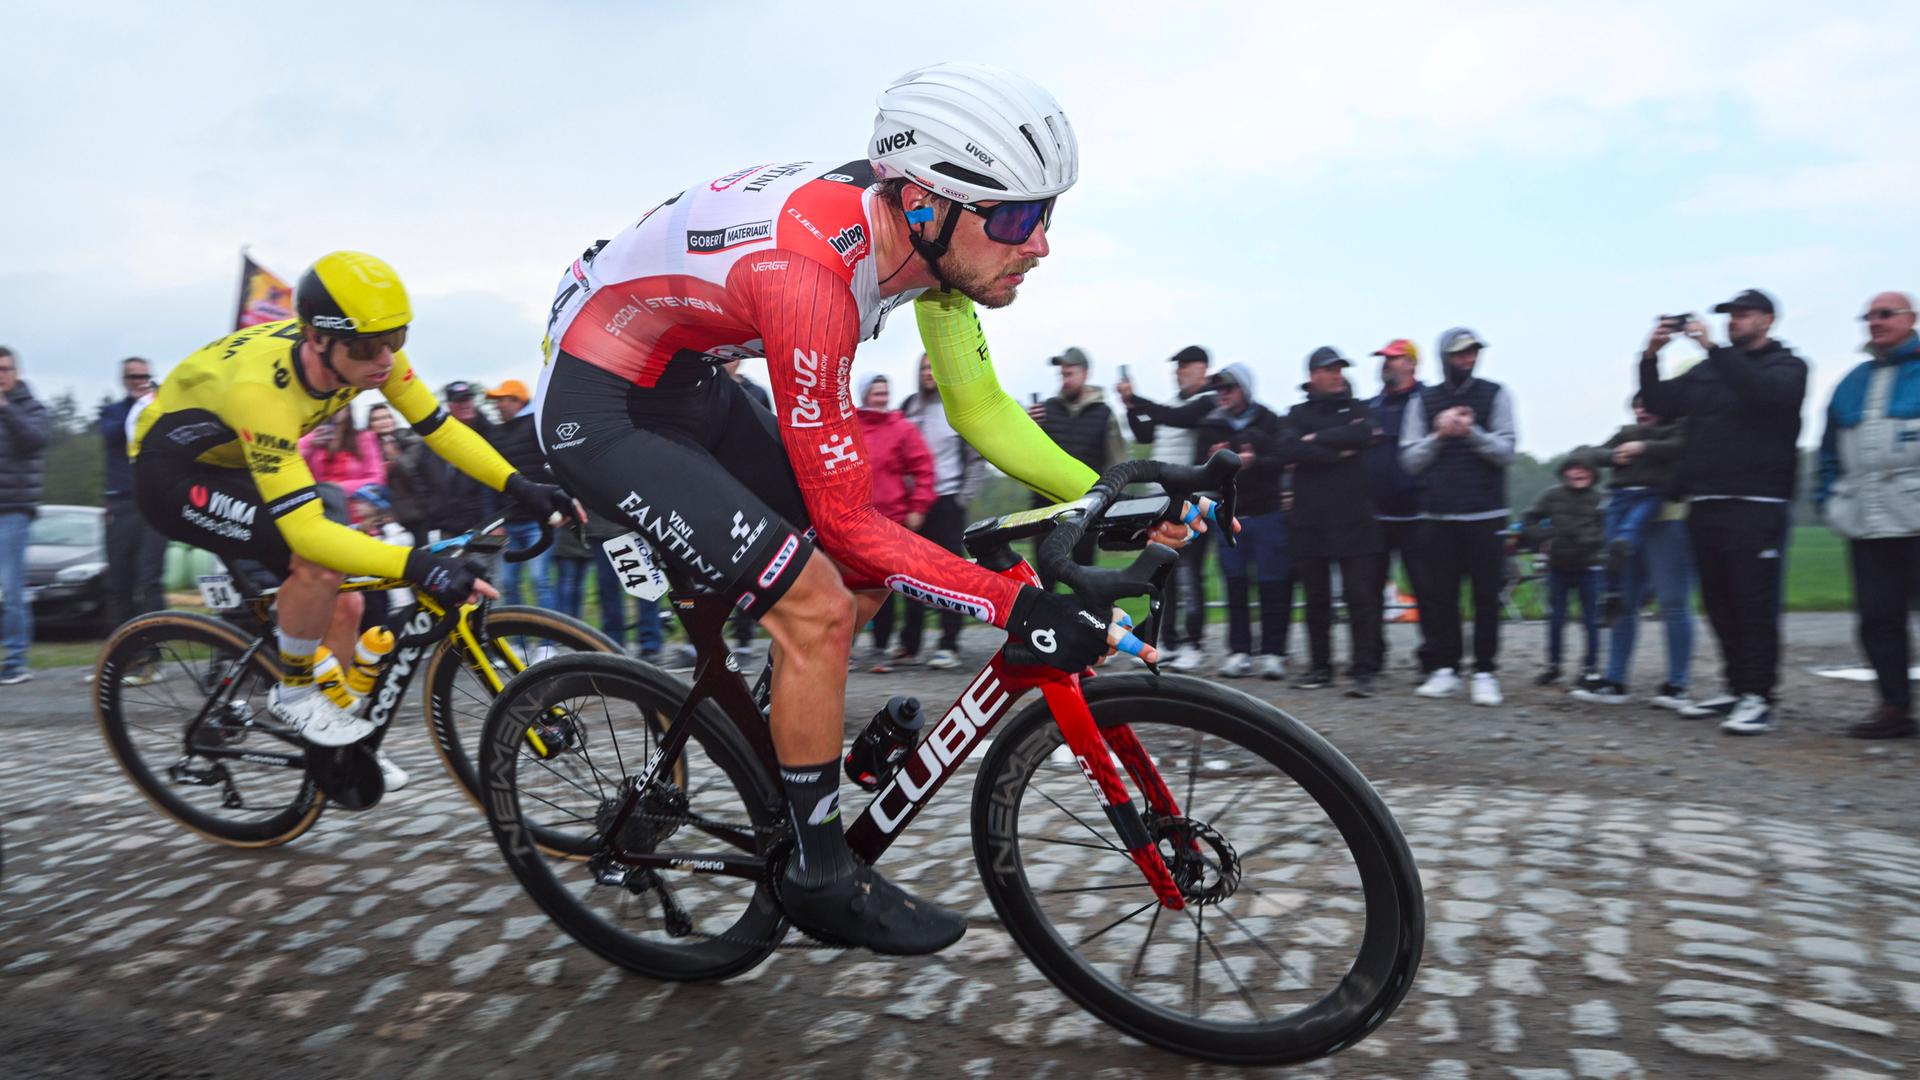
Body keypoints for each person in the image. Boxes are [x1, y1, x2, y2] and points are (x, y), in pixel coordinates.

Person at [531, 62, 1207, 956]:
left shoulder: (925, 251)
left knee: (861, 571)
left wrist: (1104, 495)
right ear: (925, 203)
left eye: (1047, 214)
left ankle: (781, 744)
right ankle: (817, 866)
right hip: (600, 404)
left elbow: (980, 408)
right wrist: (1017, 607)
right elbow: (848, 520)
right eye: (1016, 218)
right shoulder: (811, 278)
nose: (1039, 243)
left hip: (687, 378)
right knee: (819, 596)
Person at [129, 251, 575, 759]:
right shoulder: (263, 393)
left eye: (396, 340)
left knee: (348, 602)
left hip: (237, 460)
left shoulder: (369, 348)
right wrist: (419, 567)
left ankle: (331, 741)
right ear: (317, 339)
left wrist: (519, 485)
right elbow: (308, 536)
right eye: (367, 348)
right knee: (318, 560)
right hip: (173, 474)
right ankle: (293, 694)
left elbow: (440, 429)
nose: (384, 360)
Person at [1641, 289, 1808, 735]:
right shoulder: (1710, 369)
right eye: (1730, 315)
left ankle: (1759, 697)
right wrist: (1651, 354)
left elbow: (1763, 396)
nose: (1734, 320)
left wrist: (1713, 347)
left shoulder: (1787, 367)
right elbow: (1658, 403)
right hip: (1706, 501)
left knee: (1753, 603)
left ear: (1768, 320)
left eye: (1744, 314)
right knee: (1719, 603)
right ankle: (1736, 688)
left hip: (1757, 503)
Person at [1816, 291, 1920, 739]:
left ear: (1911, 318)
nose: (1874, 322)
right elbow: (1827, 455)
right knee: (1878, 619)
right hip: (1868, 525)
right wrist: (1829, 502)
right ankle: (1894, 707)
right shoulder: (1851, 382)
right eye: (1868, 316)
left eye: (1885, 314)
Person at [1400, 327, 1519, 707]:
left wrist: (1471, 432)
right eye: (1459, 354)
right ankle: (1445, 668)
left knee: (1487, 597)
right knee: (1440, 598)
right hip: (1438, 515)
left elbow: (1506, 450)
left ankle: (1484, 670)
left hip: (1486, 513)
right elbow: (1409, 458)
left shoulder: (1495, 394)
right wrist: (1439, 434)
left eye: (1472, 353)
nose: (1467, 360)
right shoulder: (1424, 401)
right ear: (1445, 358)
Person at [1574, 397, 1694, 707]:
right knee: (1622, 601)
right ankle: (1615, 680)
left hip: (1668, 519)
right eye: (1637, 406)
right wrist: (1613, 456)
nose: (1642, 411)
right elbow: (1594, 453)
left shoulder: (1679, 431)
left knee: (1673, 603)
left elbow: (1682, 451)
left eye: (1649, 404)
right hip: (1625, 515)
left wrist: (1643, 449)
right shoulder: (1626, 432)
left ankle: (1677, 684)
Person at [1278, 347, 1384, 695]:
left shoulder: (1359, 408)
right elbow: (1289, 449)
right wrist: (1338, 451)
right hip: (1310, 520)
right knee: (1316, 599)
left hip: (1354, 518)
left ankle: (1363, 670)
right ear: (1312, 375)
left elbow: (1365, 434)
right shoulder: (1296, 413)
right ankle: (1320, 667)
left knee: (1360, 598)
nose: (1337, 374)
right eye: (1329, 369)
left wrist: (1317, 441)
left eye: (1340, 369)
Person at [1118, 345, 1217, 671]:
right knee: (1164, 575)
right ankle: (1170, 642)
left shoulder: (1208, 401)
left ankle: (1195, 644)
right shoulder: (1171, 403)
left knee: (1191, 575)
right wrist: (1130, 406)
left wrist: (1140, 400)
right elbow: (1144, 431)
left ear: (1203, 368)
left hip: (1193, 503)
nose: (1179, 371)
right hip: (1162, 505)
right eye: (1177, 366)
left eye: (1186, 365)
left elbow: (1179, 419)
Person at [1196, 363, 1289, 678]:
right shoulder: (1210, 425)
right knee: (1235, 585)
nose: (1222, 394)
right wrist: (1215, 463)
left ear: (1245, 389)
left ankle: (1274, 653)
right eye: (1218, 389)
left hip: (1267, 513)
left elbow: (1282, 460)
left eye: (1229, 388)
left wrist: (1254, 462)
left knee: (1272, 585)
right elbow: (1200, 469)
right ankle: (1239, 651)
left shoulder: (1270, 419)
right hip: (1229, 516)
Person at [898, 353, 985, 670]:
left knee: (949, 575)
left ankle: (949, 643)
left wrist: (963, 497)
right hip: (915, 506)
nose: (927, 373)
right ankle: (909, 644)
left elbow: (976, 458)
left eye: (933, 367)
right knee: (912, 573)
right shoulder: (909, 407)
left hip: (949, 501)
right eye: (922, 367)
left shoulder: (957, 408)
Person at [853, 374, 935, 672]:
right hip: (859, 520)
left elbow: (924, 468)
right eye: (876, 392)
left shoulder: (901, 428)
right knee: (868, 587)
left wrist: (918, 507)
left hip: (895, 522)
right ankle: (876, 648)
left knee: (904, 584)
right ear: (864, 395)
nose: (882, 397)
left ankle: (909, 646)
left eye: (885, 392)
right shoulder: (851, 427)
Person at [1029, 347, 1128, 581]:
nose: (1065, 380)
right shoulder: (1045, 411)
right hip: (1046, 511)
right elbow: (1029, 458)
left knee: (1084, 578)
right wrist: (1030, 426)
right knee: (1045, 582)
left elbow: (1117, 463)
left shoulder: (1104, 414)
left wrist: (1113, 506)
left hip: (1086, 510)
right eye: (1062, 374)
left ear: (1085, 374)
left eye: (1070, 374)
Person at [1366, 339, 1430, 677]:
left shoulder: (1428, 401)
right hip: (1375, 514)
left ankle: (1431, 660)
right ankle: (1372, 659)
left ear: (1412, 364)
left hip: (1418, 513)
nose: (1385, 364)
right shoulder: (1370, 406)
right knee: (1370, 592)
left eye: (1393, 359)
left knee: (1426, 588)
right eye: (1383, 359)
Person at [1522, 449, 1606, 689]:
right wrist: (1543, 537)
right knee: (1556, 619)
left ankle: (1590, 668)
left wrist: (1590, 540)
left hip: (1589, 567)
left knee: (1591, 621)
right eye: (1572, 468)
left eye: (1583, 469)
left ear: (1593, 473)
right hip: (1558, 567)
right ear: (1564, 472)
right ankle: (1553, 666)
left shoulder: (1601, 498)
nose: (1577, 473)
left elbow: (1608, 529)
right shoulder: (1552, 495)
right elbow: (1529, 518)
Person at [99, 357, 170, 630]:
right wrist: (138, 405)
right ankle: (124, 654)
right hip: (121, 504)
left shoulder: (159, 410)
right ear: (124, 380)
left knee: (149, 579)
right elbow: (113, 435)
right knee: (119, 583)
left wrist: (153, 403)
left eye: (145, 377)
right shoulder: (113, 412)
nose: (140, 382)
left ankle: (155, 653)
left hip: (153, 504)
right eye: (134, 377)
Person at [0, 346, 50, 685]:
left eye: (4, 369)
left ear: (16, 372)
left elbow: (36, 440)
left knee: (11, 589)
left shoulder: (32, 407)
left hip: (13, 511)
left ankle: (16, 661)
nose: (0, 376)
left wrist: (5, 409)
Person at [484, 379, 554, 608]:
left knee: (539, 579)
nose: (498, 406)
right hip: (510, 521)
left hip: (540, 519)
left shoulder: (539, 424)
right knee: (508, 581)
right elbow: (490, 480)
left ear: (517, 400)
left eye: (501, 400)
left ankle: (549, 641)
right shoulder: (496, 434)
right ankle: (516, 639)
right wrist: (494, 521)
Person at [419, 381, 498, 541]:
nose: (465, 405)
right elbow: (421, 475)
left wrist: (494, 521)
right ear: (449, 405)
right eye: (459, 400)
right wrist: (432, 508)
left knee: (487, 565)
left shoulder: (490, 433)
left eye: (467, 399)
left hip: (482, 524)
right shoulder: (435, 435)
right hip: (447, 526)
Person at [299, 412, 387, 515]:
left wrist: (335, 488)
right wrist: (309, 442)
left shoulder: (364, 438)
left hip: (357, 512)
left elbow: (377, 480)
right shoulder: (312, 439)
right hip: (320, 511)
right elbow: (290, 467)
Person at [367, 402, 431, 544]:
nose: (383, 421)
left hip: (415, 514)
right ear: (371, 425)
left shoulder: (410, 439)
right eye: (377, 419)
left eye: (386, 417)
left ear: (393, 419)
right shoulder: (368, 447)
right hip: (382, 518)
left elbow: (413, 472)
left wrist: (395, 457)